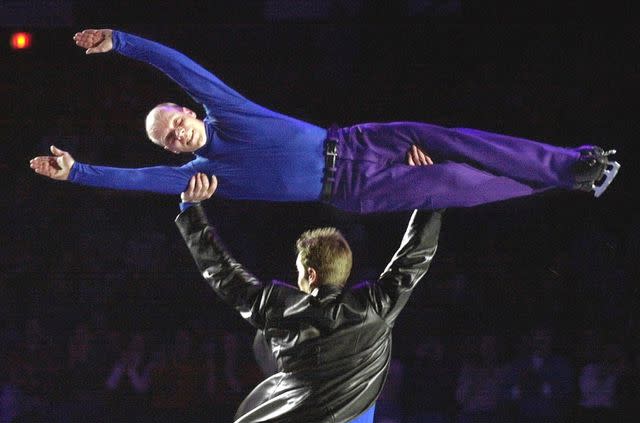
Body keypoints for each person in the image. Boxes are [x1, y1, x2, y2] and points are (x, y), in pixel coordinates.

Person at [30, 29, 620, 213]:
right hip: (358, 188)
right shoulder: (208, 175)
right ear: (174, 151)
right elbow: (136, 180)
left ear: (186, 113)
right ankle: (568, 177)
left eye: (173, 122)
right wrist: (77, 172)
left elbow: (184, 68)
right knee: (463, 185)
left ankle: (573, 162)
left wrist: (125, 43)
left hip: (360, 140)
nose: (175, 134)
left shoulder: (225, 111)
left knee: (458, 141)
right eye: (167, 141)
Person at [173, 172, 443, 423]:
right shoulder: (375, 307)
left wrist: (191, 210)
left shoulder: (278, 307)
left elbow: (223, 273)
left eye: (300, 272)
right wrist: (431, 197)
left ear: (311, 274)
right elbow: (413, 257)